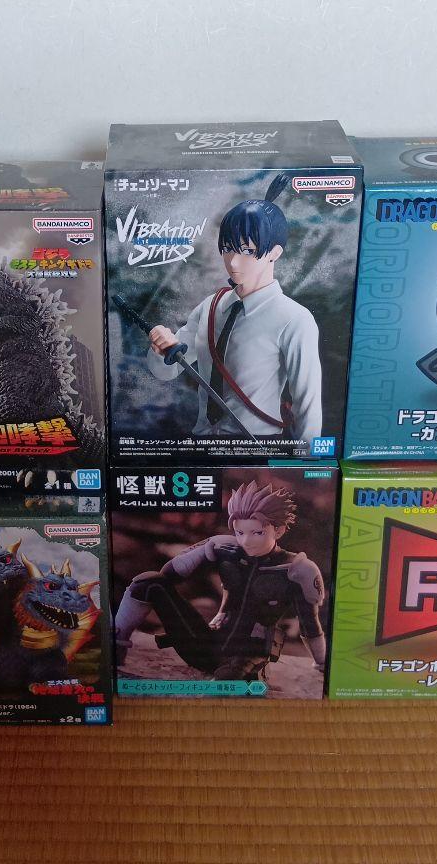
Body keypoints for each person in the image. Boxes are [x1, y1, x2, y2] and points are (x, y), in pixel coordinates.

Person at [146, 173, 322, 442]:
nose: (233, 262)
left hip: (258, 447)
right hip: (202, 443)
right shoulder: (211, 307)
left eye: (247, 250)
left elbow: (307, 404)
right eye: (228, 248)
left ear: (275, 252)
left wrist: (307, 461)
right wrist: (161, 347)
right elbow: (166, 371)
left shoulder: (294, 319)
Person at [114, 480, 327, 681]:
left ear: (278, 530)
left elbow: (310, 624)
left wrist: (321, 663)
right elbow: (167, 575)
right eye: (240, 532)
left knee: (227, 680)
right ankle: (116, 643)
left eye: (257, 533)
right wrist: (201, 552)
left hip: (249, 654)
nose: (246, 541)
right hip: (205, 644)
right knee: (148, 582)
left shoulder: (299, 569)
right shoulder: (224, 548)